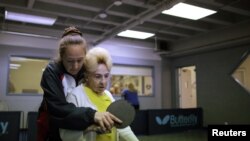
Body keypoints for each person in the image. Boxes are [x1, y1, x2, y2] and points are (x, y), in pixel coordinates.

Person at [37, 26, 122, 141]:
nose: (76, 66)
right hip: (51, 128)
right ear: (62, 57)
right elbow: (57, 109)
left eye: (80, 60)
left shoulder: (86, 70)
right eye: (70, 61)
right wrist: (92, 115)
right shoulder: (52, 72)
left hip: (78, 128)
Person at [60, 47, 139, 141]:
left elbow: (121, 126)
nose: (103, 81)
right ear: (86, 76)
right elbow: (65, 135)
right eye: (97, 76)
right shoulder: (74, 96)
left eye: (106, 76)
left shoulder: (108, 95)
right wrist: (89, 129)